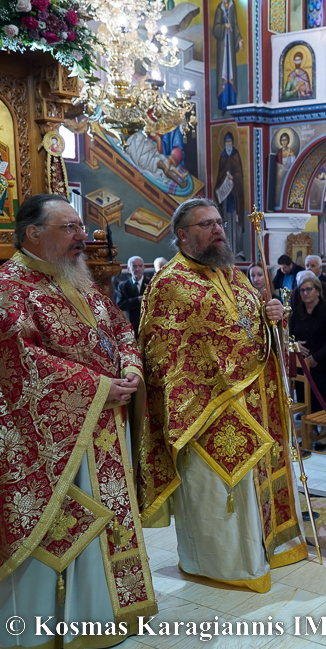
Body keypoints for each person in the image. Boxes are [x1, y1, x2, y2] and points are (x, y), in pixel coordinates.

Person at [0, 195, 158, 646]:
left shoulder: (80, 281)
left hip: (107, 426)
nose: (82, 236)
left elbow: (121, 327)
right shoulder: (10, 285)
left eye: (80, 227)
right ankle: (40, 630)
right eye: (69, 227)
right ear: (34, 233)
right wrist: (96, 387)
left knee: (108, 520)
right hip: (52, 438)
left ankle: (102, 615)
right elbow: (19, 359)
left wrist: (130, 368)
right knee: (60, 527)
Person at [137, 198, 306, 592]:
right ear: (182, 235)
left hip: (256, 403)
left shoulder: (233, 275)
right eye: (205, 224)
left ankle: (267, 549)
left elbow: (252, 331)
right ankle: (221, 565)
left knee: (256, 489)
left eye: (218, 222)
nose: (217, 229)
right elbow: (163, 356)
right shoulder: (169, 284)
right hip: (205, 412)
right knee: (222, 494)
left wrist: (273, 320)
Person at [290, 274, 326, 448]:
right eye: (302, 290)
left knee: (321, 397)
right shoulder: (297, 311)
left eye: (309, 289)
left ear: (317, 291)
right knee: (305, 397)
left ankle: (324, 434)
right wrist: (294, 344)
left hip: (323, 363)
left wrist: (316, 358)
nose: (305, 293)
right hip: (302, 364)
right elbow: (290, 335)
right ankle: (312, 432)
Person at [116, 254, 148, 332]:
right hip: (131, 326)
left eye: (140, 266)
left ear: (143, 268)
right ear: (128, 269)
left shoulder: (151, 284)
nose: (138, 269)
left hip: (147, 325)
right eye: (134, 266)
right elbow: (120, 305)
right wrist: (137, 300)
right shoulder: (123, 286)